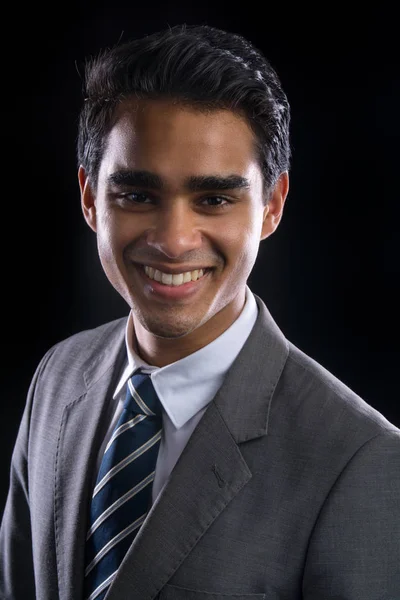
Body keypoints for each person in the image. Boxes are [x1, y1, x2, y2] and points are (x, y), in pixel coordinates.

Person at [1, 23, 399, 600]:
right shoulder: (58, 378)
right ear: (89, 197)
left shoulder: (360, 463)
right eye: (137, 195)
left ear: (272, 206)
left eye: (214, 199)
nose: (173, 239)